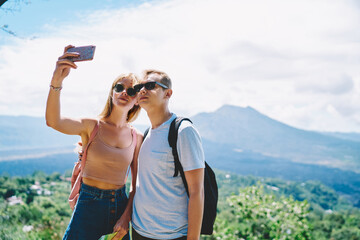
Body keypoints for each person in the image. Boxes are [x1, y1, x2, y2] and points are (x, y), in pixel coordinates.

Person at [45, 45, 142, 240]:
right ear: (112, 93)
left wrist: (126, 217)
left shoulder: (136, 137)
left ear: (138, 99)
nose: (124, 92)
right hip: (88, 204)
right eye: (119, 87)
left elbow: (136, 184)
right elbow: (53, 121)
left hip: (119, 205)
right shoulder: (91, 126)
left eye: (131, 90)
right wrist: (57, 81)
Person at [131, 70, 205, 240]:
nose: (142, 90)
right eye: (139, 87)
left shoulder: (183, 130)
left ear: (168, 93)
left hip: (171, 235)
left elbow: (197, 191)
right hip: (139, 231)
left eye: (150, 86)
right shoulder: (148, 133)